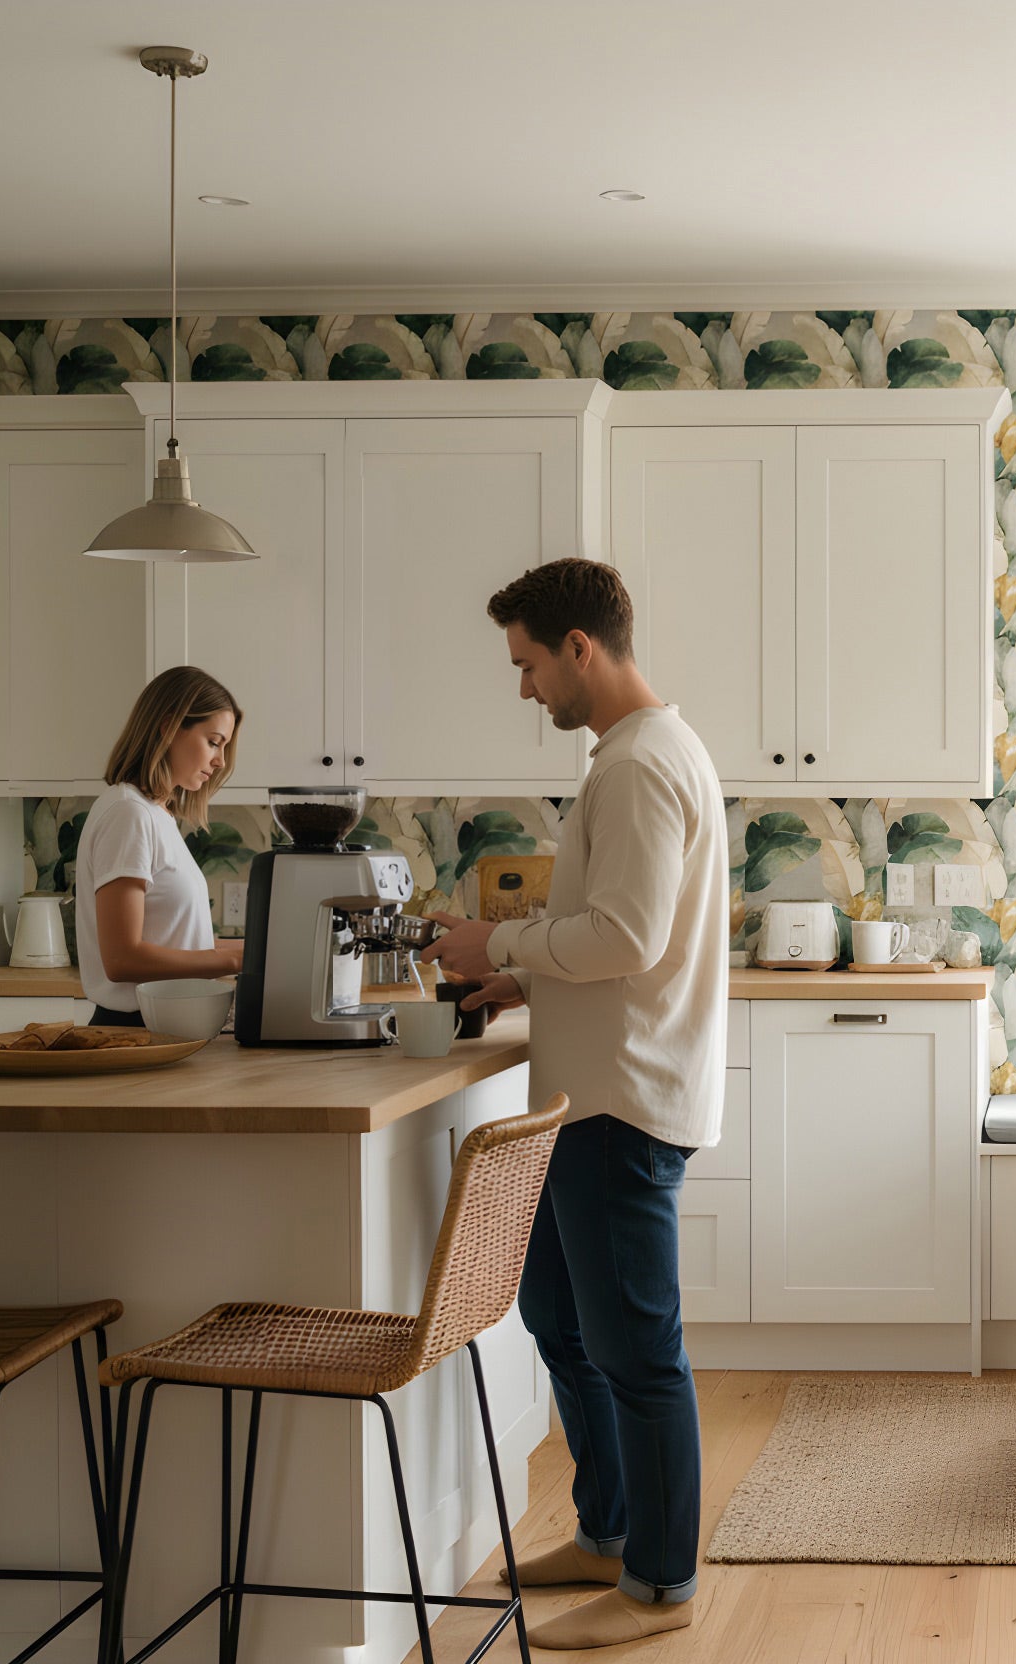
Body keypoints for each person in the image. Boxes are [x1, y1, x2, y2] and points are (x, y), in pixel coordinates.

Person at [422, 557, 727, 1650]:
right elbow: (617, 936)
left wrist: (497, 941)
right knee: (561, 1320)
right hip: (589, 1097)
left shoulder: (640, 765)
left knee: (638, 1353)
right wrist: (528, 978)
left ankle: (660, 1584)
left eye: (528, 663)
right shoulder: (637, 754)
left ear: (580, 649)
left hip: (621, 1105)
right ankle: (608, 1532)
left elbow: (627, 937)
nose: (525, 687)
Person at [73, 666, 246, 1026]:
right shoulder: (128, 813)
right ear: (169, 727)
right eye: (213, 742)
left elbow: (181, 942)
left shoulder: (155, 814)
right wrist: (235, 960)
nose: (220, 760)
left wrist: (260, 951)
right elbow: (122, 959)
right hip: (134, 1033)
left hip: (165, 1027)